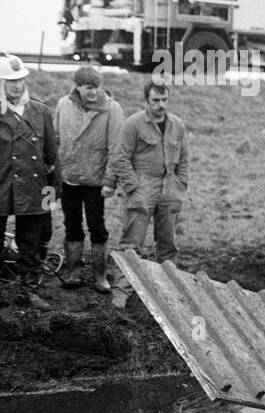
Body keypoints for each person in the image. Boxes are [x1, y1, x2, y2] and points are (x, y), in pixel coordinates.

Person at [54, 65, 124, 293]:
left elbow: (116, 148)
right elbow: (56, 140)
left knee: (97, 226)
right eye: (88, 87)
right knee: (71, 224)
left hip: (95, 182)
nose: (93, 92)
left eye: (97, 87)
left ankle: (100, 275)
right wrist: (56, 174)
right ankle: (73, 271)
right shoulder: (64, 105)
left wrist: (110, 180)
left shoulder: (112, 109)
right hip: (69, 178)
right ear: (77, 86)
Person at [1, 52, 58, 311]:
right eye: (10, 81)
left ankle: (28, 290)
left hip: (35, 188)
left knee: (31, 240)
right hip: (3, 186)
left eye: (20, 79)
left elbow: (51, 159)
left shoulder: (40, 111)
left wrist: (51, 197)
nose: (17, 85)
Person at [112, 82, 189, 264]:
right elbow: (120, 158)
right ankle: (123, 289)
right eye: (155, 100)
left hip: (170, 187)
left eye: (164, 100)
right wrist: (133, 187)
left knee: (168, 244)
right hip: (143, 184)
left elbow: (184, 157)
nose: (161, 105)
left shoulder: (177, 125)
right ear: (146, 100)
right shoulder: (133, 124)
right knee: (131, 243)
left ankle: (168, 288)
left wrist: (180, 183)